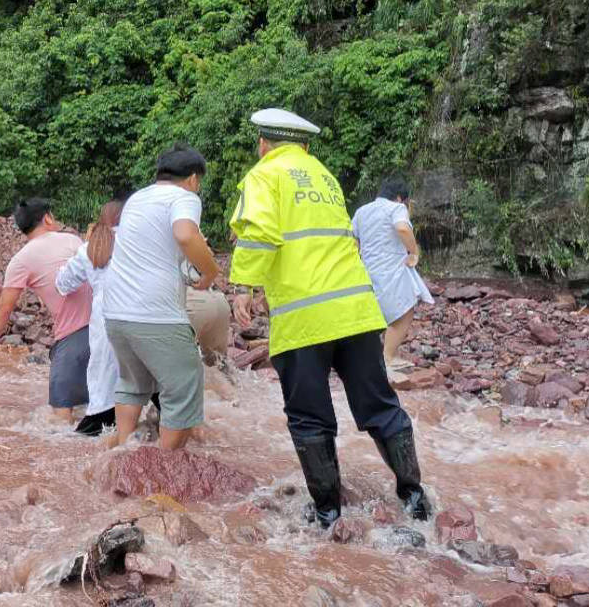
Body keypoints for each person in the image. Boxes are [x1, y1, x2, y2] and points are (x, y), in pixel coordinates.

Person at [228, 108, 432, 527]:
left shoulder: (264, 175)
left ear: (263, 144)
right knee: (380, 405)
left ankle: (328, 513)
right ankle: (415, 500)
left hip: (305, 320)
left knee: (309, 416)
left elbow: (260, 234)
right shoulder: (323, 177)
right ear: (304, 146)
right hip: (356, 312)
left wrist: (243, 286)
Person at [103, 143, 221, 450]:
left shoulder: (137, 198)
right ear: (194, 179)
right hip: (155, 314)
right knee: (184, 385)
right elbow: (185, 234)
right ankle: (164, 467)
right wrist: (209, 272)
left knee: (132, 384)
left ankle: (122, 454)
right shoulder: (184, 196)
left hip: (115, 313)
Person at [0, 198, 90, 423]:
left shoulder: (20, 260)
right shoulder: (73, 240)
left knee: (61, 417)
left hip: (73, 339)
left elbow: (4, 309)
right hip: (106, 328)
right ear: (48, 218)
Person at [54, 198, 125, 436]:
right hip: (142, 314)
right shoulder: (139, 241)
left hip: (105, 319)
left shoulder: (90, 248)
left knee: (104, 382)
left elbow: (63, 284)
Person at [351, 177, 434, 375]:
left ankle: (363, 358)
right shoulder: (396, 208)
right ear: (399, 197)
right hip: (392, 268)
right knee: (404, 311)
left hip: (368, 269)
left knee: (376, 313)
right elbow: (403, 228)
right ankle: (388, 357)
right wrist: (413, 252)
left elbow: (353, 239)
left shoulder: (362, 211)